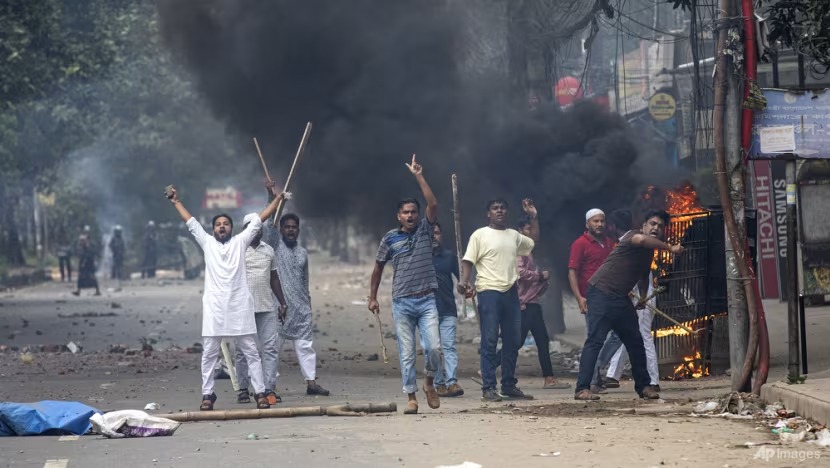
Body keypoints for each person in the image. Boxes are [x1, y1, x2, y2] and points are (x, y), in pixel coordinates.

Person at [166, 184, 284, 410]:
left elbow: (260, 218)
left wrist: (276, 200)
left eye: (226, 224)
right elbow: (190, 222)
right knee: (209, 353)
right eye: (218, 225)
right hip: (215, 309)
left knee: (251, 351)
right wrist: (176, 201)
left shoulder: (240, 242)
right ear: (212, 230)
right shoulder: (207, 242)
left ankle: (259, 392)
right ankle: (208, 395)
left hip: (240, 307)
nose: (222, 227)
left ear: (232, 228)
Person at [574, 210, 684, 401]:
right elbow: (642, 241)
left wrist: (642, 298)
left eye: (659, 226)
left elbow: (642, 275)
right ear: (644, 225)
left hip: (620, 297)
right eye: (652, 224)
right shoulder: (634, 236)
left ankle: (644, 387)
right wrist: (670, 248)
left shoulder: (649, 252)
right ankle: (582, 388)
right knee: (595, 341)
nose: (655, 228)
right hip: (601, 292)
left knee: (635, 341)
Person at [368, 154, 443, 415]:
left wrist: (418, 175)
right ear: (398, 216)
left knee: (434, 347)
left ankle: (429, 383)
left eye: (414, 212)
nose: (410, 215)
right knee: (407, 353)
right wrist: (372, 297)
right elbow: (378, 267)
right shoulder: (389, 239)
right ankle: (411, 397)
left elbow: (433, 204)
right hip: (402, 302)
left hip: (426, 300)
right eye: (406, 212)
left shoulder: (425, 230)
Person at [458, 198, 539, 402]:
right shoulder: (480, 235)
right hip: (489, 293)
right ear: (489, 213)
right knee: (490, 340)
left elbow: (533, 242)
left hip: (511, 293)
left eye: (503, 208)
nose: (500, 211)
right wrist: (463, 281)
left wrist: (533, 217)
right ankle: (489, 387)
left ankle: (509, 385)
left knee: (513, 341)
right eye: (495, 208)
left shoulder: (514, 235)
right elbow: (468, 260)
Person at [233, 213, 289, 406]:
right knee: (243, 351)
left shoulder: (269, 251)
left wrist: (282, 302)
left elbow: (274, 278)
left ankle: (269, 389)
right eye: (251, 226)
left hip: (266, 306)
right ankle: (243, 389)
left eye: (258, 227)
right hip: (243, 308)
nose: (256, 230)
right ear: (244, 229)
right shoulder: (237, 249)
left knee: (270, 349)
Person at [273, 212, 331, 397]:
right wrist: (273, 199)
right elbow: (269, 226)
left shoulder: (303, 253)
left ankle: (311, 383)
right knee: (273, 348)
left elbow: (305, 280)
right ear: (281, 229)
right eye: (287, 227)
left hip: (301, 308)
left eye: (293, 227)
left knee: (306, 347)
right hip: (278, 308)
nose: (290, 230)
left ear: (298, 230)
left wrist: (308, 304)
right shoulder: (275, 247)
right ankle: (269, 387)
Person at [515, 217, 570, 390]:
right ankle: (487, 368)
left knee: (541, 340)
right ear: (520, 231)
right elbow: (519, 272)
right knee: (520, 342)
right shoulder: (520, 251)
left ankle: (549, 378)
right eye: (527, 229)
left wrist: (541, 283)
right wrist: (539, 276)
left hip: (531, 302)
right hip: (525, 304)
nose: (531, 233)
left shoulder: (527, 251)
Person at [422, 222, 463, 397]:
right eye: (430, 234)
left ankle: (452, 383)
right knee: (433, 349)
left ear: (442, 235)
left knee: (449, 347)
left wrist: (466, 286)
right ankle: (438, 384)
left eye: (437, 233)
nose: (433, 236)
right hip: (426, 312)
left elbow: (461, 278)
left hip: (448, 309)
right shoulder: (419, 259)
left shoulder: (450, 257)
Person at [604, 271, 661, 391]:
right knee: (627, 334)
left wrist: (640, 296)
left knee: (644, 337)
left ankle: (652, 380)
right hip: (633, 296)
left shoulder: (638, 255)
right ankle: (613, 374)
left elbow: (641, 278)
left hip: (641, 297)